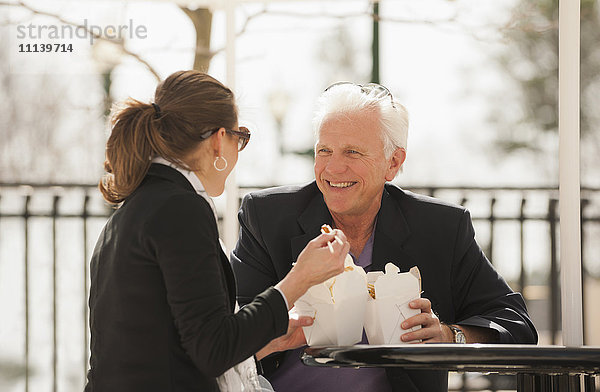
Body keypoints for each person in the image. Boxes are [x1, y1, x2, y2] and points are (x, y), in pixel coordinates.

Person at [230, 82, 538, 392]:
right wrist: (273, 329)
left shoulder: (441, 228)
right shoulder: (266, 218)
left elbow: (515, 324)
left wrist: (449, 336)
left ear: (393, 162)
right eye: (324, 151)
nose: (334, 167)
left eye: (352, 152)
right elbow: (225, 337)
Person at [85, 70, 351, 392]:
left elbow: (183, 348)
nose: (238, 151)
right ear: (218, 141)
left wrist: (268, 339)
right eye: (240, 138)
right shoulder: (180, 209)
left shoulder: (131, 211)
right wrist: (299, 279)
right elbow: (214, 349)